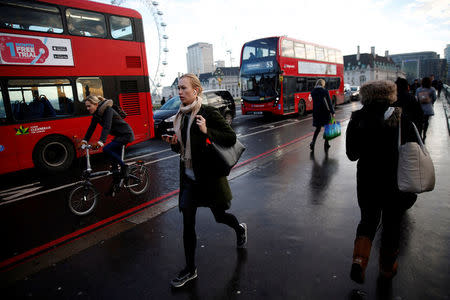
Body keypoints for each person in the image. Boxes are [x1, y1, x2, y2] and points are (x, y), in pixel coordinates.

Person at [162, 73, 247, 288]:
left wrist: (206, 130)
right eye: (178, 88)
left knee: (220, 217)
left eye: (183, 88)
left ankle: (239, 229)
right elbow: (182, 148)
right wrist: (174, 144)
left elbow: (230, 137)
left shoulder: (208, 112)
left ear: (196, 91)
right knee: (187, 224)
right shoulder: (180, 116)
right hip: (189, 180)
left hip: (208, 179)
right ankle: (190, 270)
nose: (179, 92)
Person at [346, 80, 417, 284]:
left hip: (367, 180)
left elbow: (352, 154)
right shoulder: (402, 118)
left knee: (367, 221)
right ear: (390, 95)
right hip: (395, 181)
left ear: (366, 96)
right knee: (391, 224)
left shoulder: (357, 118)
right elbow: (412, 149)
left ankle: (359, 261)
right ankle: (387, 269)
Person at [82, 96, 134, 189]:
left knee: (106, 149)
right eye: (86, 106)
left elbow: (107, 126)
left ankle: (125, 166)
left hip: (126, 134)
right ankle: (116, 183)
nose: (87, 109)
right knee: (113, 163)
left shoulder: (108, 110)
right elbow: (91, 128)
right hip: (118, 136)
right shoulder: (96, 114)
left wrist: (101, 141)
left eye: (89, 106)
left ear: (96, 104)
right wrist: (84, 140)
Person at [310, 79, 335, 152]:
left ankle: (313, 142)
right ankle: (326, 143)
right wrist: (332, 112)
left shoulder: (313, 92)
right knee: (327, 128)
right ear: (322, 84)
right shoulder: (325, 91)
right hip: (325, 112)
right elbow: (329, 102)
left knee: (318, 128)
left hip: (316, 112)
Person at [415, 77, 436, 142]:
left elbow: (416, 98)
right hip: (428, 108)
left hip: (420, 108)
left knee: (420, 122)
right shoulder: (432, 89)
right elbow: (435, 98)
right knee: (426, 121)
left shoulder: (418, 89)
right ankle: (424, 134)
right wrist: (431, 102)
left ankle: (420, 135)